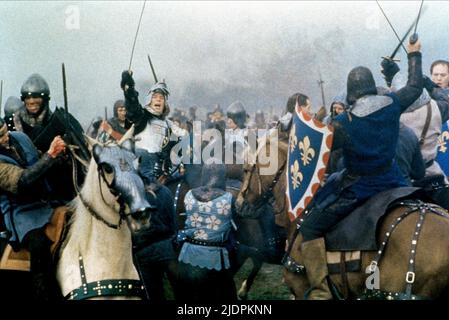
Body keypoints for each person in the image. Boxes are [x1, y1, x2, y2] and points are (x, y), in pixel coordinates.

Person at [297, 39, 423, 299]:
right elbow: (414, 85)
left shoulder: (343, 123)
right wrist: (414, 53)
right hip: (395, 180)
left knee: (309, 227)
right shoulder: (392, 104)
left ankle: (321, 290)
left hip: (360, 187)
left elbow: (320, 152)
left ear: (350, 92)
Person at [0, 117, 66, 300]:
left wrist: (60, 156)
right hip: (21, 213)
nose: (5, 138)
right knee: (39, 244)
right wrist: (50, 155)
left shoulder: (20, 137)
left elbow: (39, 159)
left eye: (5, 132)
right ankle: (42, 294)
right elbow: (24, 181)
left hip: (47, 202)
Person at [177, 162, 237, 301]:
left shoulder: (189, 195)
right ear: (223, 176)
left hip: (188, 255)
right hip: (214, 259)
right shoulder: (229, 198)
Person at [120, 71, 187, 184]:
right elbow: (133, 107)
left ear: (165, 102)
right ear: (149, 100)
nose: (158, 99)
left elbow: (181, 143)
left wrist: (181, 162)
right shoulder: (142, 116)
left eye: (161, 97)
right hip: (141, 170)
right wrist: (129, 87)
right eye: (155, 97)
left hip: (162, 174)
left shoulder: (168, 124)